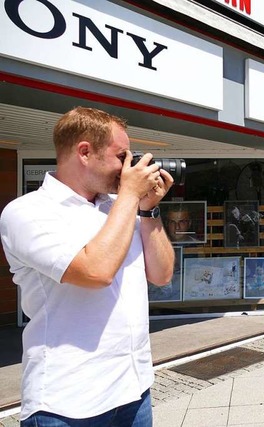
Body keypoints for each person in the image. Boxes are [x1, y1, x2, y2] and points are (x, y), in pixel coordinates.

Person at [0, 107, 175, 426]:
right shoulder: (28, 212)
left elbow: (162, 275)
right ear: (84, 152)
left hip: (134, 391)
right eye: (122, 156)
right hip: (67, 403)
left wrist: (148, 210)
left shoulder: (121, 207)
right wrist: (130, 196)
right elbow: (96, 272)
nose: (128, 168)